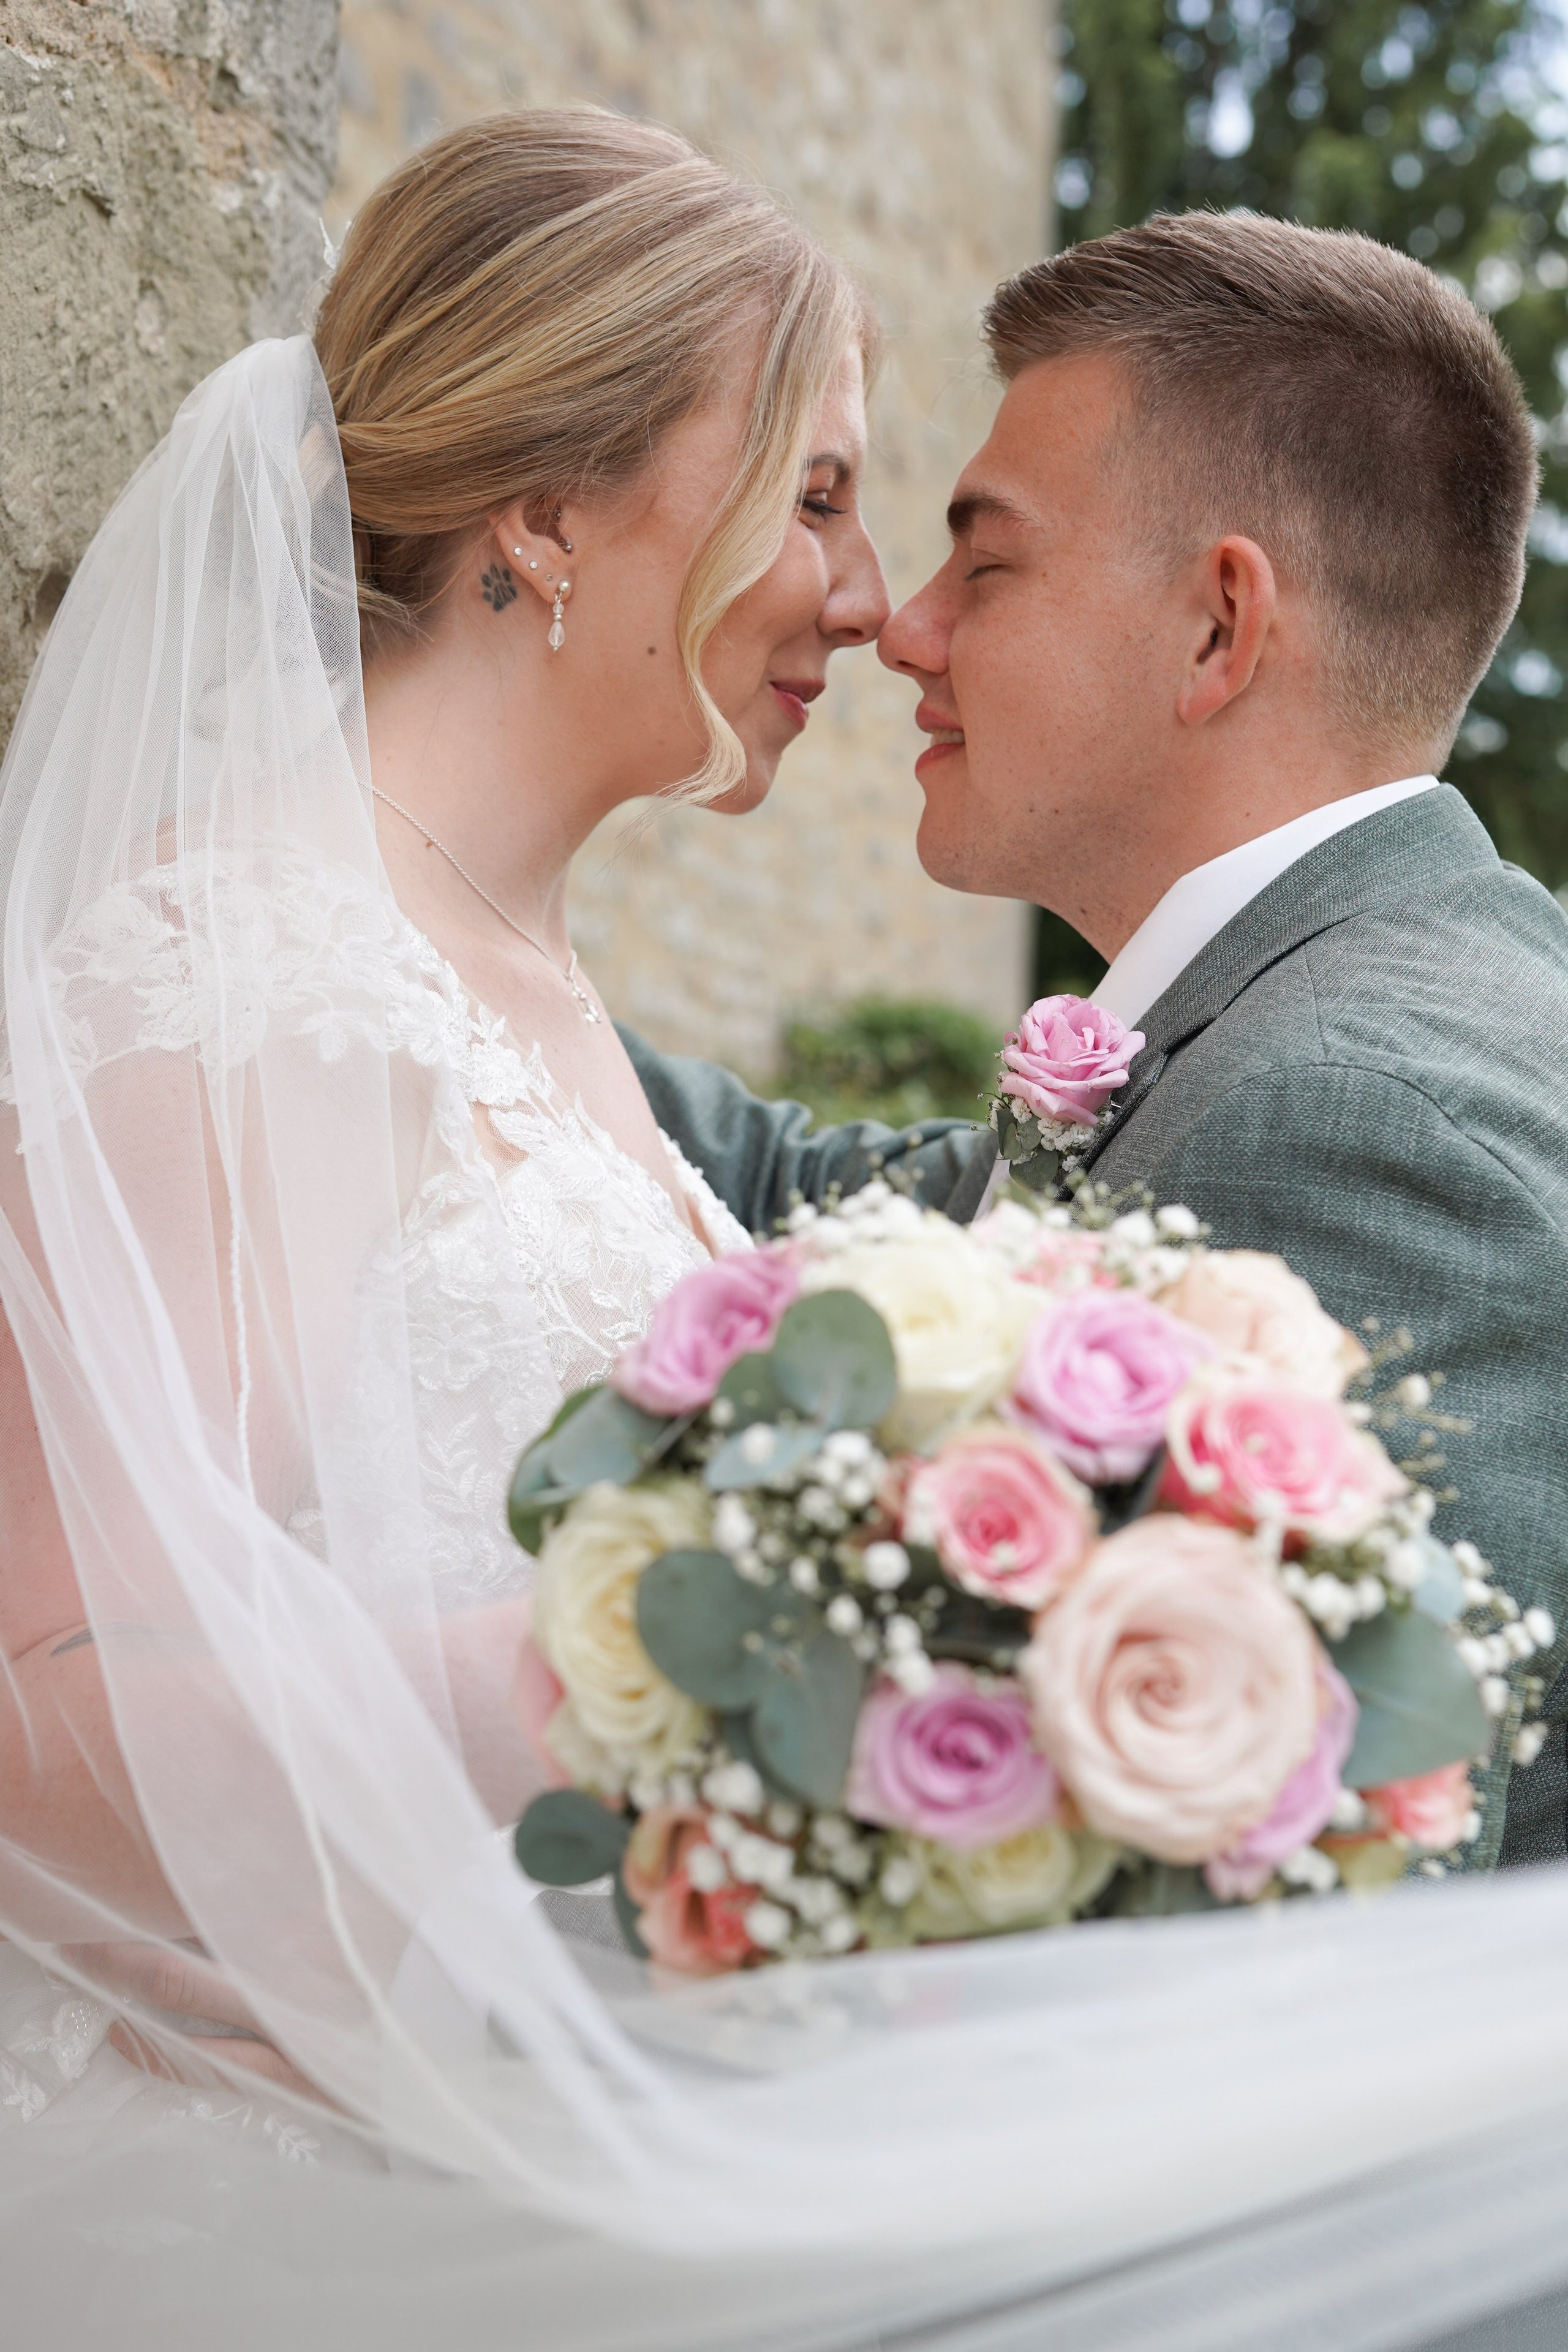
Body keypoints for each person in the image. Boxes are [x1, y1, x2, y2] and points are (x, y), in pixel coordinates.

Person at [6, 116, 1568, 2351]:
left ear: (1223, 620)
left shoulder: (1355, 1091)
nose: (874, 603)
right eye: (822, 499)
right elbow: (38, 1705)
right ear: (544, 519)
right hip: (333, 2152)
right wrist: (648, 1711)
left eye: (939, 538)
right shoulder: (272, 963)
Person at [656, 209, 1568, 1877]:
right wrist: (438, 954)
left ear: (1219, 627)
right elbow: (851, 1199)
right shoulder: (1353, 996)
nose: (907, 631)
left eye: (984, 563)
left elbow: (1308, 1942)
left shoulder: (1349, 1116)